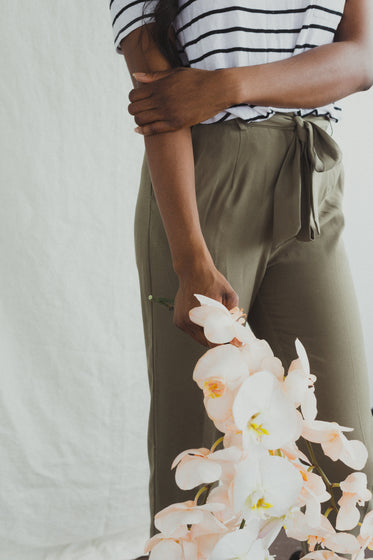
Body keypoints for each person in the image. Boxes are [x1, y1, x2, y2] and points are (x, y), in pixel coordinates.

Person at [108, 1, 373, 559]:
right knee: (200, 442)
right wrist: (189, 262)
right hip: (201, 189)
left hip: (312, 175)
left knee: (342, 446)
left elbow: (363, 56)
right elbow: (163, 104)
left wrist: (227, 85)